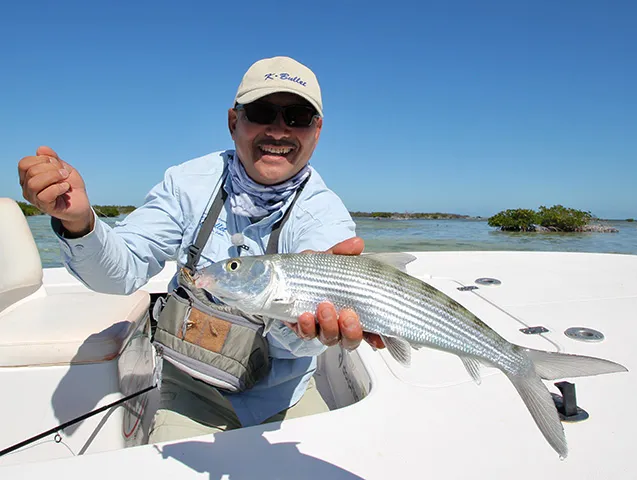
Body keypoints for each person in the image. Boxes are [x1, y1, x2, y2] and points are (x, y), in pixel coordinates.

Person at [18, 56, 384, 442]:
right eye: (261, 112)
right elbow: (120, 271)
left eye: (297, 117)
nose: (279, 130)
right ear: (233, 122)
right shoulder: (187, 184)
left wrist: (308, 327)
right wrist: (79, 222)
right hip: (192, 391)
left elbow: (302, 338)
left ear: (317, 131)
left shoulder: (325, 216)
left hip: (286, 395)